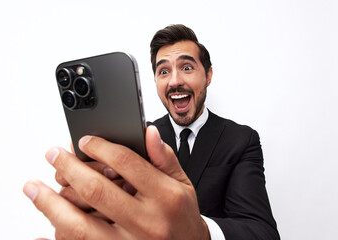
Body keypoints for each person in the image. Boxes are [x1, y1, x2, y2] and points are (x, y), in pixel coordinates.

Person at [24, 24, 280, 239]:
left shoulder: (241, 139)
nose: (175, 81)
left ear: (208, 75)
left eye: (187, 67)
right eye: (163, 71)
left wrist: (199, 231)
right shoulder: (138, 137)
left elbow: (263, 232)